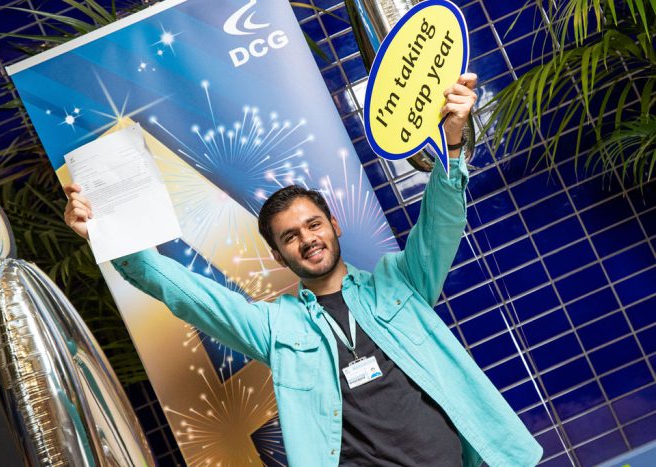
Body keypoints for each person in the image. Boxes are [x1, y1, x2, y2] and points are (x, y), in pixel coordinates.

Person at [64, 73, 542, 466]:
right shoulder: (275, 327)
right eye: (290, 236)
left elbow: (440, 221)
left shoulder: (401, 281)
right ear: (278, 255)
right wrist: (111, 237)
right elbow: (186, 293)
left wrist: (454, 140)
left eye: (313, 224)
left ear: (333, 226)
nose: (307, 239)